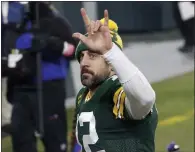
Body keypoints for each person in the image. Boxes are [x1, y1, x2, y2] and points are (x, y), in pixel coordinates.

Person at [71, 8, 158, 152]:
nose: (84, 62)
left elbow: (145, 99)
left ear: (111, 63)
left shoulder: (117, 90)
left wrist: (110, 52)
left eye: (92, 56)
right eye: (81, 56)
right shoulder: (83, 95)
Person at [4, 2, 76, 152]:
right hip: (21, 89)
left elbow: (73, 50)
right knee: (21, 141)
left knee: (55, 141)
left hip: (49, 89)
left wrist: (50, 44)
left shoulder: (56, 23)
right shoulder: (15, 26)